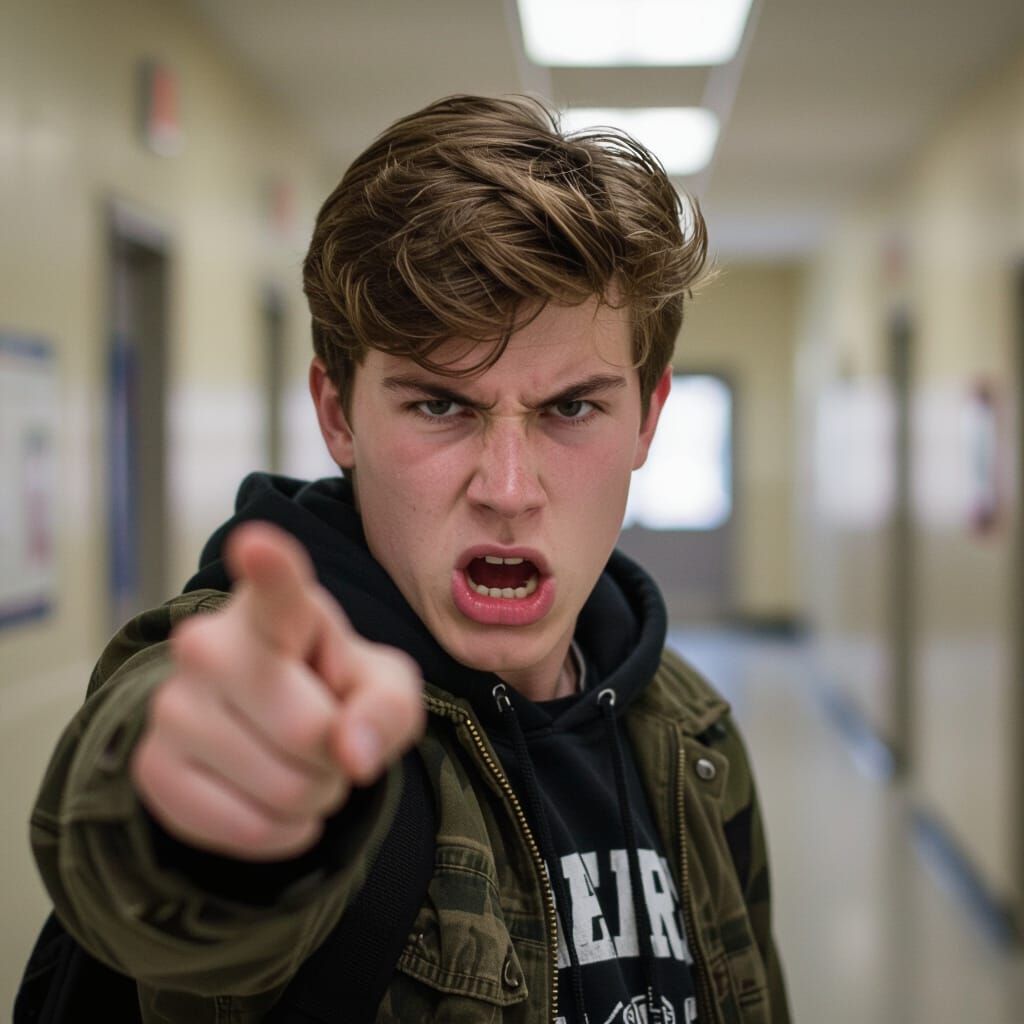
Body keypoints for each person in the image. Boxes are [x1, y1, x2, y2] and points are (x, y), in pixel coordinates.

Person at [30, 94, 789, 1023]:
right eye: (441, 406)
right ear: (340, 413)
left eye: (571, 409)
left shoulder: (696, 739)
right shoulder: (292, 694)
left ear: (651, 418)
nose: (508, 488)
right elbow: (144, 862)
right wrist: (215, 816)